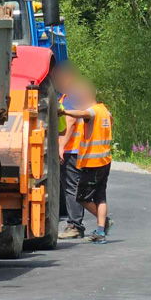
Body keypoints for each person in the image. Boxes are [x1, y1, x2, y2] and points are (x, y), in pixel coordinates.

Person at [61, 84, 113, 244]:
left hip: (92, 162)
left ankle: (101, 223)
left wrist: (63, 111)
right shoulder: (106, 111)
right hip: (105, 160)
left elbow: (80, 115)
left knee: (81, 197)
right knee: (100, 197)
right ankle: (100, 230)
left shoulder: (92, 111)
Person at [55, 68, 86, 239]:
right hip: (75, 149)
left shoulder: (71, 98)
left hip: (72, 149)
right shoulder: (72, 96)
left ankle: (75, 225)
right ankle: (101, 220)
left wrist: (61, 146)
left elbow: (71, 121)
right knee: (75, 187)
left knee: (71, 188)